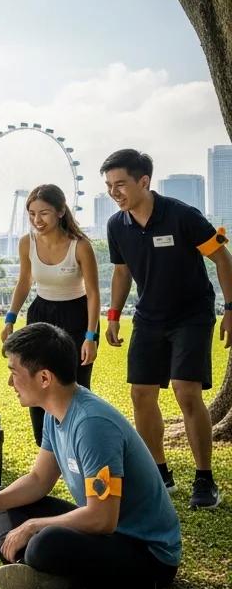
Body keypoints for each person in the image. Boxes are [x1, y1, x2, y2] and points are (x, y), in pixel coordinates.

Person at [0, 323, 181, 589]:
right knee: (1, 501)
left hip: (147, 555)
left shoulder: (92, 425)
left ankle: (31, 562)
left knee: (45, 543)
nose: (10, 383)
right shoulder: (55, 413)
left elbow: (103, 519)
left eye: (14, 373)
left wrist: (33, 527)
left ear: (44, 378)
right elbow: (39, 480)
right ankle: (25, 560)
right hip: (106, 534)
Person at [101, 148, 232, 508]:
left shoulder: (182, 216)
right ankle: (159, 475)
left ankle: (205, 480)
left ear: (144, 181)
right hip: (148, 317)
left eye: (121, 184)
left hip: (192, 314)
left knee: (186, 391)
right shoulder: (117, 225)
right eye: (110, 186)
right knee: (141, 394)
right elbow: (122, 271)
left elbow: (222, 257)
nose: (115, 193)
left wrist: (231, 308)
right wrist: (112, 315)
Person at [1, 184, 101, 444]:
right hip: (41, 314)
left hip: (77, 316)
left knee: (74, 383)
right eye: (32, 214)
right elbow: (24, 282)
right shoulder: (27, 243)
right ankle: (45, 443)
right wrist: (10, 319)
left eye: (43, 213)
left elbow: (92, 293)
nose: (37, 220)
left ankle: (78, 439)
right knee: (35, 378)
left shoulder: (80, 246)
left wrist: (90, 336)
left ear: (59, 211)